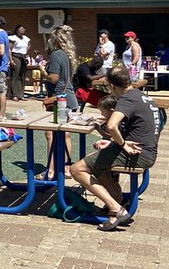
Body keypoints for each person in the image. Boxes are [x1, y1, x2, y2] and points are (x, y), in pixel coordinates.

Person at [69, 67, 161, 231]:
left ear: (112, 86)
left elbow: (111, 126)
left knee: (77, 169)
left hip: (137, 153)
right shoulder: (142, 96)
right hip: (148, 151)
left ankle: (116, 209)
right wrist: (113, 143)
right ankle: (119, 200)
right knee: (97, 163)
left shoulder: (127, 98)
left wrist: (122, 144)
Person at [42, 24, 80, 178]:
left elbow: (53, 78)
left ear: (55, 39)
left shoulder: (57, 54)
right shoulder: (67, 55)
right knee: (65, 135)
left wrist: (42, 70)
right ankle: (66, 168)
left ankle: (51, 170)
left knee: (50, 134)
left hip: (60, 101)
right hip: (69, 99)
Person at [8, 24, 30, 101]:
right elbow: (9, 49)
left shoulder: (25, 38)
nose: (22, 31)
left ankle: (20, 94)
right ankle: (13, 94)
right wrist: (11, 60)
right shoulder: (13, 38)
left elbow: (29, 45)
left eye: (23, 29)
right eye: (20, 29)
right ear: (17, 30)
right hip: (15, 56)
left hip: (23, 57)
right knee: (15, 75)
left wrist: (25, 52)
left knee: (22, 76)